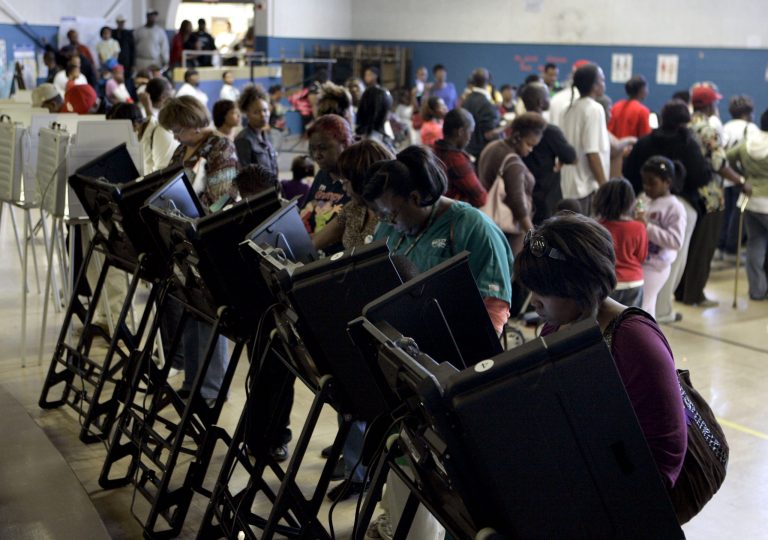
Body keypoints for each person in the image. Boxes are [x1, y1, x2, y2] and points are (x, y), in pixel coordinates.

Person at [515, 212, 686, 490]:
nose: (533, 302)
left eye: (543, 291)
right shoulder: (556, 326)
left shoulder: (635, 340)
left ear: (579, 285)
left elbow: (666, 455)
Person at [367, 145, 514, 335]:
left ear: (415, 198)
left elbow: (494, 307)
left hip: (453, 339)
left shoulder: (473, 227)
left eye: (391, 214)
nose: (388, 221)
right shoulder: (390, 227)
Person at [158, 96, 238, 407]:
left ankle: (211, 387)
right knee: (190, 307)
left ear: (193, 123)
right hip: (183, 236)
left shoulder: (220, 147)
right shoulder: (182, 148)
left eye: (177, 129)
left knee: (208, 312)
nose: (174, 136)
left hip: (209, 236)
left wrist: (189, 217)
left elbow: (221, 197)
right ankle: (193, 380)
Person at [622, 100, 710, 323]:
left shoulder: (645, 142)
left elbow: (629, 172)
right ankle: (661, 310)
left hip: (650, 203)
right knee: (672, 261)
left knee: (649, 260)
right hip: (678, 202)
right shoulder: (688, 143)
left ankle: (648, 310)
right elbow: (702, 176)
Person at [675, 84, 746, 307]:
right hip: (710, 195)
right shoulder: (708, 130)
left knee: (689, 244)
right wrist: (741, 181)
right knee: (704, 246)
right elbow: (719, 164)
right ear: (707, 105)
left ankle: (681, 290)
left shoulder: (685, 126)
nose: (717, 105)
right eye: (715, 102)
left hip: (687, 192)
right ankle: (695, 295)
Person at [477, 112, 546, 253]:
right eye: (529, 144)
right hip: (509, 230)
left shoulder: (493, 146)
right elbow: (518, 204)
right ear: (517, 137)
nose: (530, 150)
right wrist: (533, 236)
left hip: (487, 222)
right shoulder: (514, 164)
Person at [313, 139, 393, 253]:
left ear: (361, 179)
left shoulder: (393, 218)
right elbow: (315, 242)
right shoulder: (353, 208)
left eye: (345, 181)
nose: (343, 187)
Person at [519, 82, 577, 223]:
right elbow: (571, 156)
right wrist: (561, 160)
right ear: (540, 102)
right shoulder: (549, 130)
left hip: (520, 192)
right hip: (544, 197)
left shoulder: (516, 126)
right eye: (547, 96)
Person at [637, 156, 687, 318]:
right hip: (639, 260)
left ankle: (647, 339)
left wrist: (647, 227)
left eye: (652, 183)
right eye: (644, 182)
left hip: (656, 265)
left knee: (643, 306)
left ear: (667, 182)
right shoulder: (643, 199)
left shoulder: (675, 207)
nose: (647, 187)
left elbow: (676, 241)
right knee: (641, 307)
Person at [726, 108, 768, 301]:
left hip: (750, 201)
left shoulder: (749, 142)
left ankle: (757, 290)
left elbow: (728, 157)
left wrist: (742, 177)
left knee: (755, 244)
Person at [560, 63, 610, 214]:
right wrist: (604, 187)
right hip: (586, 187)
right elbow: (592, 153)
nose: (604, 84)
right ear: (594, 85)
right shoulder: (594, 109)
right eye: (602, 80)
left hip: (569, 185)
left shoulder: (568, 109)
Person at [594, 178, 648, 308]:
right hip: (633, 282)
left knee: (603, 324)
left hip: (604, 283)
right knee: (628, 324)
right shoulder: (638, 227)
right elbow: (641, 257)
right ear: (630, 202)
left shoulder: (595, 226)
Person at [301, 114, 354, 244]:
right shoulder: (322, 175)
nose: (316, 155)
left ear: (345, 143)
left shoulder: (356, 181)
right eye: (313, 149)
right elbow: (305, 213)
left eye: (323, 148)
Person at [719, 95, 760, 259]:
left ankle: (720, 247)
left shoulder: (725, 127)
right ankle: (731, 250)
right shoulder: (751, 128)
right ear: (749, 112)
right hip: (742, 178)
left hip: (726, 176)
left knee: (725, 214)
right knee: (738, 216)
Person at [433, 108, 488, 208]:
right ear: (461, 132)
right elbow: (480, 198)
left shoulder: (435, 149)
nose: (470, 138)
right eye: (470, 132)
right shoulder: (455, 159)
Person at [235, 84, 278, 176]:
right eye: (256, 112)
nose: (263, 115)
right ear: (247, 114)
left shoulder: (265, 136)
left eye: (265, 110)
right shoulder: (243, 139)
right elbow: (244, 175)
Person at [138, 77, 178, 174]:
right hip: (156, 175)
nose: (173, 93)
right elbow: (153, 123)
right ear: (163, 96)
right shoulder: (160, 125)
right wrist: (148, 107)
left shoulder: (146, 112)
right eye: (170, 90)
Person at [462, 68, 504, 159]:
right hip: (482, 154)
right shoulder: (487, 104)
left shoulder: (466, 100)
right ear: (489, 81)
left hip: (468, 150)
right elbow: (489, 134)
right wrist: (507, 125)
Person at [608, 75, 652, 139]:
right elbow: (645, 139)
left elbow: (609, 132)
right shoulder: (642, 111)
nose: (647, 91)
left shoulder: (616, 107)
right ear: (641, 90)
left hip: (615, 148)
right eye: (646, 88)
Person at [355, 86, 395, 152]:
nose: (389, 115)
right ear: (380, 112)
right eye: (388, 110)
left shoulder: (355, 136)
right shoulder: (374, 144)